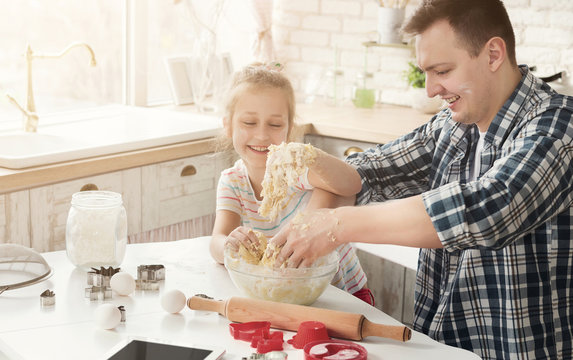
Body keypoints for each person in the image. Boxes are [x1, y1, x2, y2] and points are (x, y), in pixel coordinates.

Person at [268, 0, 573, 359]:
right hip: (436, 348)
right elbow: (362, 175)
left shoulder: (559, 128)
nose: (430, 90)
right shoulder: (451, 127)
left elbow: (488, 208)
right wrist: (302, 164)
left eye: (442, 70)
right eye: (426, 73)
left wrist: (335, 225)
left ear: (493, 54)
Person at [210, 62, 375, 305]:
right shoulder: (232, 182)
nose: (262, 135)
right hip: (288, 295)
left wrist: (313, 157)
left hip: (341, 294)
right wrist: (228, 244)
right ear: (228, 125)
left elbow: (352, 184)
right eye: (249, 123)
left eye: (275, 125)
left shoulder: (297, 170)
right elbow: (217, 240)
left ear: (289, 130)